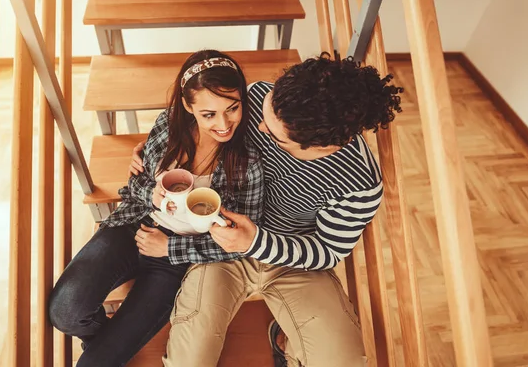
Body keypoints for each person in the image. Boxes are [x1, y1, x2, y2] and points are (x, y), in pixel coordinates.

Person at [129, 52, 403, 366]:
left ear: (321, 148)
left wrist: (255, 242)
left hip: (293, 260)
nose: (258, 127)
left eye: (274, 135)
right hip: (218, 247)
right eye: (265, 112)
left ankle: (285, 337)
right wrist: (153, 149)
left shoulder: (359, 183)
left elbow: (327, 251)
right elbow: (200, 116)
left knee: (343, 361)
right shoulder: (260, 96)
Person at [48, 49, 265, 367]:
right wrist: (153, 195)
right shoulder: (168, 127)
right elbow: (132, 187)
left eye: (233, 108)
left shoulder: (248, 162)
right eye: (209, 114)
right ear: (189, 106)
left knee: (94, 363)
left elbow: (240, 243)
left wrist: (170, 247)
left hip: (179, 259)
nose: (223, 124)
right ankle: (107, 338)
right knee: (65, 313)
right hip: (135, 224)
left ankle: (111, 345)